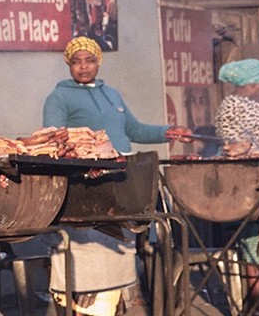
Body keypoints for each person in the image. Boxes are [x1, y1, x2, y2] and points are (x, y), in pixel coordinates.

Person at [40, 36, 192, 316]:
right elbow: (52, 138)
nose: (83, 67)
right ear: (69, 65)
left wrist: (165, 132)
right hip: (88, 185)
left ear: (99, 62)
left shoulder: (112, 94)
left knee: (121, 248)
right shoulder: (59, 96)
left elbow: (133, 130)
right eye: (77, 62)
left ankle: (116, 305)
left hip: (123, 179)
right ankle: (84, 307)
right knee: (90, 251)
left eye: (89, 61)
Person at [214, 58, 259, 315]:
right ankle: (256, 300)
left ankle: (257, 298)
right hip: (250, 183)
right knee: (257, 240)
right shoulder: (242, 108)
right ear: (252, 84)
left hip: (247, 182)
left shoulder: (234, 105)